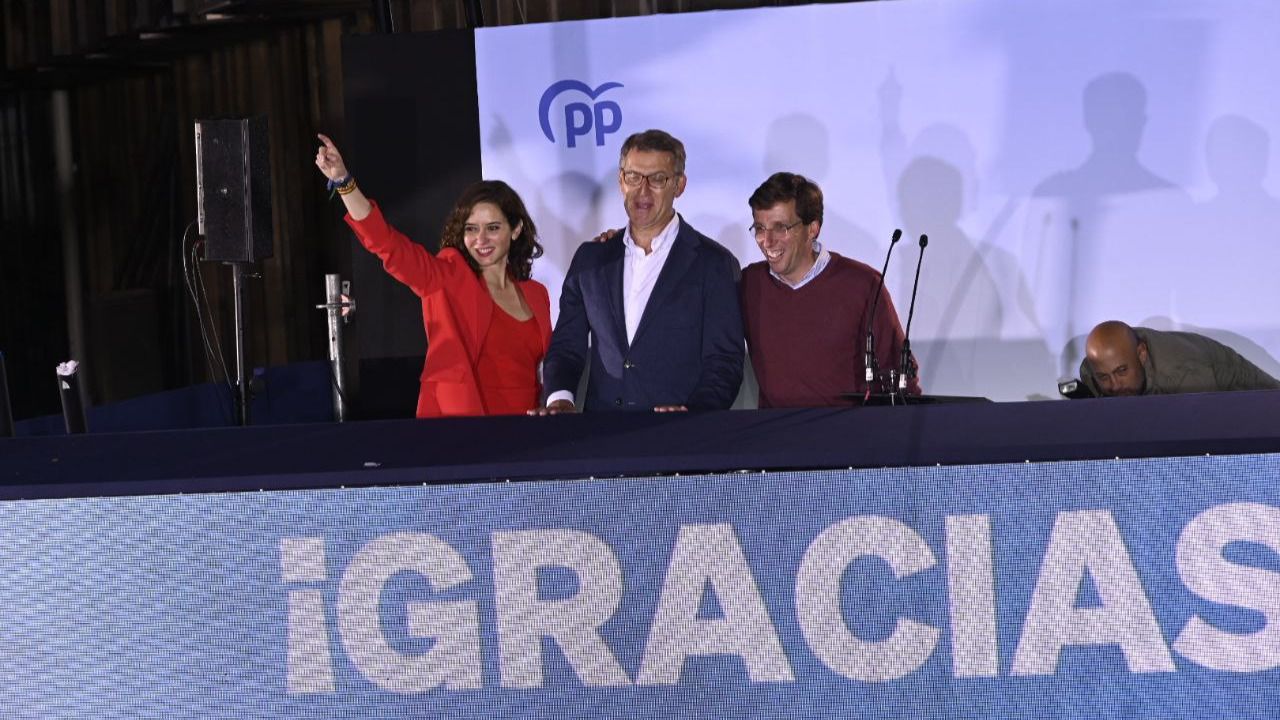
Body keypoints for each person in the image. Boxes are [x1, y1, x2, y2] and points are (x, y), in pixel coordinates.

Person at [314, 133, 551, 417]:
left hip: (530, 433)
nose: (481, 239)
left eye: (493, 227)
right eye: (471, 229)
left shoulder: (537, 294)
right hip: (465, 429)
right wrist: (344, 183)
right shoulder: (449, 276)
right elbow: (388, 244)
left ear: (515, 230)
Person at [534, 129, 743, 413]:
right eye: (633, 177)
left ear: (679, 185)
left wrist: (696, 413)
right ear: (621, 181)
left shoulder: (714, 264)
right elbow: (567, 347)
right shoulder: (590, 260)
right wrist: (559, 399)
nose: (643, 191)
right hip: (600, 438)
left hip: (679, 442)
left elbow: (724, 361)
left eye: (657, 179)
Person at [741, 172, 919, 407]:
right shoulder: (749, 284)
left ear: (812, 228)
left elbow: (900, 374)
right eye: (760, 228)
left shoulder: (862, 284)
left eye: (780, 228)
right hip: (776, 437)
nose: (767, 241)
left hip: (846, 438)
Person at [1079, 320, 1280, 397]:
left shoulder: (1183, 374)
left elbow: (1200, 437)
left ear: (1141, 354)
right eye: (1104, 377)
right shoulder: (1090, 371)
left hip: (1259, 403)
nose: (1115, 386)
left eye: (1122, 371)